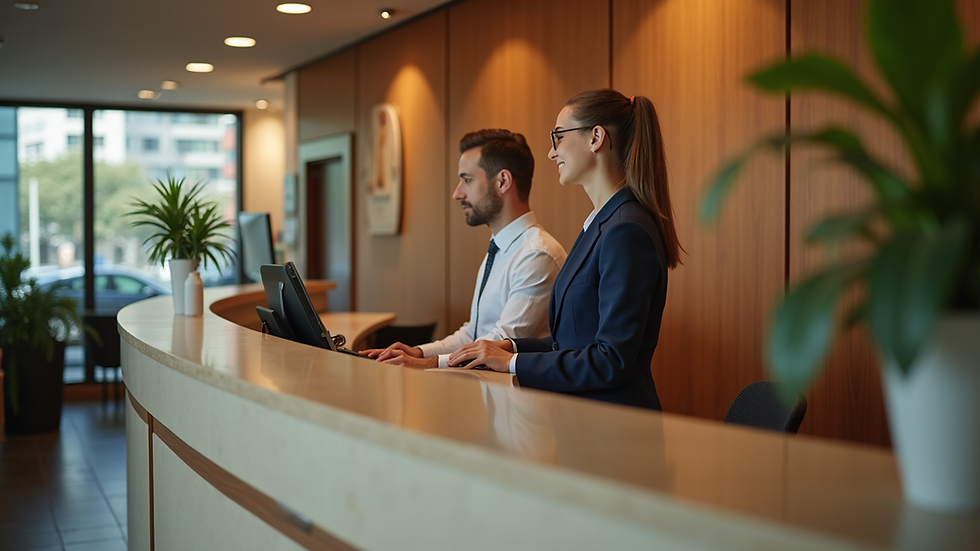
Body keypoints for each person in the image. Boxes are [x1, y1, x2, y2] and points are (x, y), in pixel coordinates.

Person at [448, 90, 683, 411]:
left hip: (615, 429)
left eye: (558, 137)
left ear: (596, 138)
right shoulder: (602, 223)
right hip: (587, 419)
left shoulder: (626, 229)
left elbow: (610, 359)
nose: (550, 152)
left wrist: (512, 362)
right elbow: (572, 342)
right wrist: (509, 347)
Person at [362, 129, 567, 368]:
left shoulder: (536, 254)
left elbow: (495, 346)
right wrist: (419, 352)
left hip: (516, 398)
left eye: (467, 180)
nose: (457, 193)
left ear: (503, 181)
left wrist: (427, 364)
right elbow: (474, 333)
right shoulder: (501, 248)